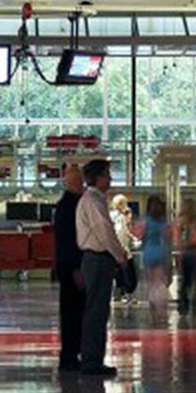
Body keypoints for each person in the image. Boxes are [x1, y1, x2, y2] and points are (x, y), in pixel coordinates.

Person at [76, 159, 129, 377]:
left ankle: (93, 358)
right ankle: (91, 361)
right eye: (107, 174)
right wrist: (121, 257)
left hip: (96, 259)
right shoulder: (93, 201)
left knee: (98, 311)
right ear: (97, 178)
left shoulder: (94, 199)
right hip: (97, 260)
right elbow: (104, 232)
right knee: (96, 312)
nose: (110, 179)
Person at [54, 165, 86, 372]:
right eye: (79, 180)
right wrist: (76, 267)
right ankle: (70, 356)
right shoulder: (70, 206)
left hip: (67, 265)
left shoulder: (67, 205)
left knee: (72, 311)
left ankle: (71, 354)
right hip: (72, 266)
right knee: (73, 311)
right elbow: (69, 240)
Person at [140, 195, 172, 319]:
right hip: (161, 252)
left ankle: (153, 311)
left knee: (151, 283)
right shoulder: (164, 222)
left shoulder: (146, 221)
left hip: (149, 252)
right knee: (160, 283)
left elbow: (140, 236)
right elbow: (168, 238)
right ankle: (162, 310)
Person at [109, 194, 139, 305]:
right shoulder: (118, 217)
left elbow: (126, 231)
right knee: (128, 273)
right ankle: (126, 294)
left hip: (118, 249)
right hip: (121, 250)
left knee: (120, 273)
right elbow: (120, 232)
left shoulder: (117, 216)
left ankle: (120, 293)